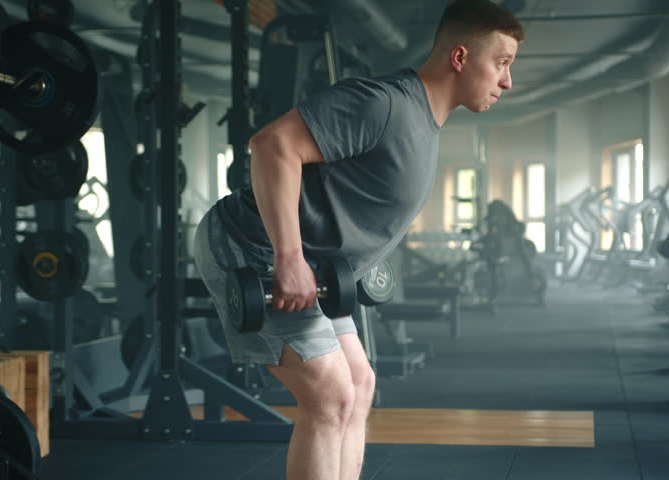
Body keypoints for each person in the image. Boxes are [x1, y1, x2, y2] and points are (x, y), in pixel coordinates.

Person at [192, 1, 523, 478]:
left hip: (312, 263)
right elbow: (272, 145)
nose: (507, 81)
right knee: (330, 396)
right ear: (460, 57)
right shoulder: (385, 103)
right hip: (250, 246)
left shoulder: (426, 125)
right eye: (502, 63)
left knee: (360, 385)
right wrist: (289, 258)